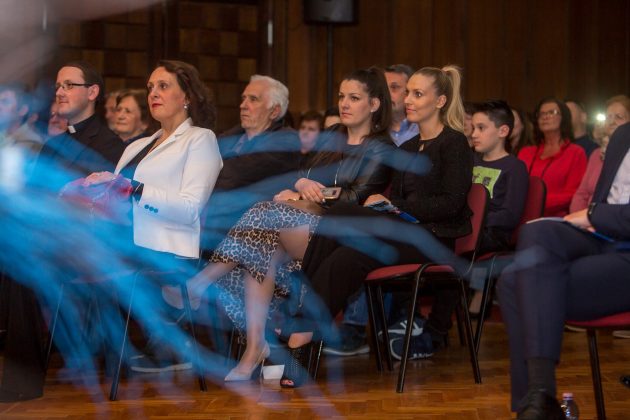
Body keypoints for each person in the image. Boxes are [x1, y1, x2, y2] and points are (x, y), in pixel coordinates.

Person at [179, 67, 394, 384]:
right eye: (341, 97)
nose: (344, 104)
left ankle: (202, 282)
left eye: (354, 98)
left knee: (265, 213)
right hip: (305, 228)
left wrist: (305, 197)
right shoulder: (333, 136)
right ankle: (255, 346)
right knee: (260, 249)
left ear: (374, 104)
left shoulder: (381, 148)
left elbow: (355, 198)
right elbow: (302, 173)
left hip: (344, 236)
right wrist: (302, 186)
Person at [283, 65, 473, 385]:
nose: (407, 100)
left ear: (440, 101)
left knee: (340, 213)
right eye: (408, 93)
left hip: (434, 239)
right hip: (400, 234)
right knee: (345, 259)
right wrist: (388, 205)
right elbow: (398, 200)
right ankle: (303, 338)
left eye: (417, 94)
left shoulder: (454, 143)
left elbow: (451, 203)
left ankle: (298, 316)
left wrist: (395, 206)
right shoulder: (408, 149)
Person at [83, 59, 223, 373]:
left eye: (163, 86)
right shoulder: (139, 145)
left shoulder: (200, 139)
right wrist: (95, 191)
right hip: (124, 238)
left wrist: (135, 189)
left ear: (186, 95)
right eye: (150, 88)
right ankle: (96, 350)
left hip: (165, 247)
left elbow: (190, 209)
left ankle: (121, 349)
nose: (153, 93)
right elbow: (118, 196)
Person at [0, 61, 125, 403]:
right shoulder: (53, 144)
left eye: (69, 85)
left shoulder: (110, 146)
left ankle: (22, 379)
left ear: (93, 92)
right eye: (58, 85)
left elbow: (101, 205)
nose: (60, 91)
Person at [497, 121, 630, 419]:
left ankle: (535, 403)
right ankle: (541, 395)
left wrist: (595, 215)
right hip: (602, 238)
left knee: (513, 281)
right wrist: (593, 217)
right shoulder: (624, 134)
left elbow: (598, 209)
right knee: (537, 231)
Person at [201, 75, 301, 253]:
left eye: (253, 99)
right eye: (243, 98)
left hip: (251, 238)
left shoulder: (285, 140)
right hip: (212, 227)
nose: (243, 105)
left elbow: (235, 175)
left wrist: (204, 171)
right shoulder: (229, 137)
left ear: (274, 111)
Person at [467, 100, 529, 315]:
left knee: (465, 241)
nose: (474, 134)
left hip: (493, 232)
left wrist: (474, 221)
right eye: (473, 127)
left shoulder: (514, 167)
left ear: (503, 131)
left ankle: (478, 290)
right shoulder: (472, 161)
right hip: (468, 227)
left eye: (481, 128)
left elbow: (510, 215)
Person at [517, 98, 587, 216]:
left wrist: (535, 203)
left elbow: (573, 193)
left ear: (564, 118)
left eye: (552, 112)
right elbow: (515, 186)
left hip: (555, 218)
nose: (545, 117)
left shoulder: (576, 153)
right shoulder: (526, 152)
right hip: (521, 214)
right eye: (541, 114)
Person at [570, 95, 630, 213]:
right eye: (608, 117)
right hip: (585, 216)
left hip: (611, 216)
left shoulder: (626, 156)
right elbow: (582, 193)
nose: (612, 122)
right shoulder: (595, 154)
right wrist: (577, 216)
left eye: (619, 117)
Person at [385, 64, 418, 146]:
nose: (386, 93)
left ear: (409, 92)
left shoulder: (424, 130)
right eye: (384, 88)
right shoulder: (371, 131)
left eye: (394, 87)